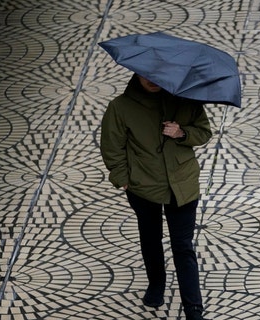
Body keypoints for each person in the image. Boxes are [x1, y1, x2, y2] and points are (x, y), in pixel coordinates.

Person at [100, 74, 212, 320]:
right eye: (145, 75)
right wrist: (124, 180)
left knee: (182, 246)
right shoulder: (120, 107)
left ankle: (194, 308)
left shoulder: (186, 100)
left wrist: (182, 133)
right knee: (151, 238)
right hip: (143, 186)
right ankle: (156, 284)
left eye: (158, 75)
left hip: (182, 185)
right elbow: (111, 146)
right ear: (136, 73)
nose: (152, 80)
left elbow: (204, 133)